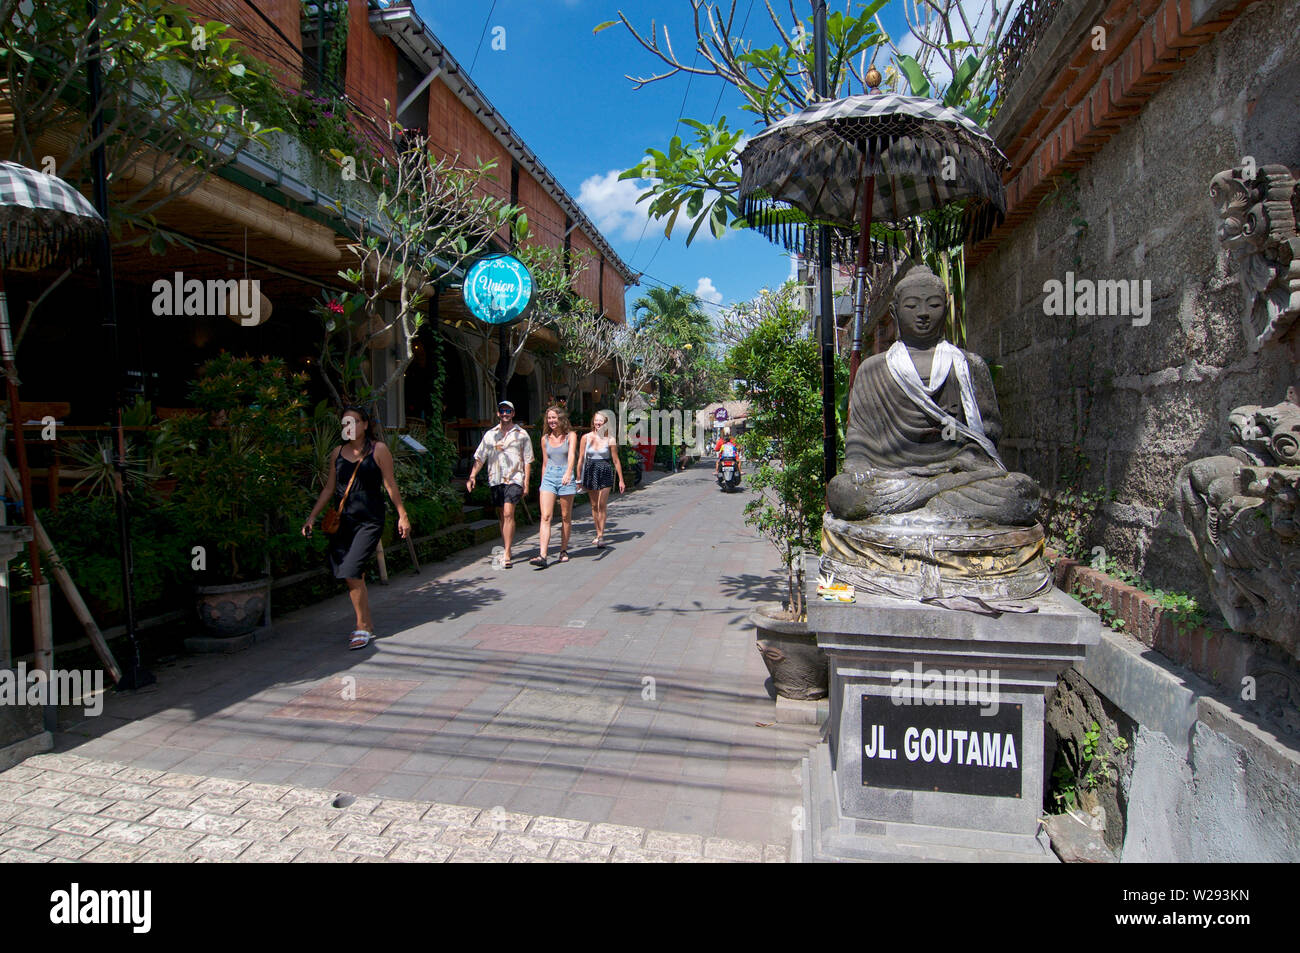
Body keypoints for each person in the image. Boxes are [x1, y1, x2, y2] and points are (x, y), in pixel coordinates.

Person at [302, 405, 411, 649]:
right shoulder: (337, 452)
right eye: (345, 424)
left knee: (351, 570)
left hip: (370, 520)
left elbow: (390, 485)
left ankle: (362, 627)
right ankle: (366, 623)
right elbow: (330, 488)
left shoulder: (378, 450)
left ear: (364, 425)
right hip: (344, 521)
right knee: (352, 573)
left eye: (353, 422)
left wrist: (402, 515)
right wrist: (311, 517)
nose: (348, 427)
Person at [467, 399, 533, 568]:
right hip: (495, 478)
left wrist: (526, 482)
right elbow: (480, 457)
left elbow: (527, 460)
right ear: (498, 413)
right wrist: (472, 475)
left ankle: (508, 552)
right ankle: (506, 546)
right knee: (502, 515)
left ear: (513, 414)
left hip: (514, 478)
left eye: (508, 411)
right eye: (502, 411)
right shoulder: (490, 435)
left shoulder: (522, 434)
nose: (505, 414)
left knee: (509, 513)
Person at [532, 404, 577, 567]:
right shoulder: (544, 439)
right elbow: (545, 462)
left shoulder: (571, 436)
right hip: (549, 477)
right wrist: (543, 483)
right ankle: (542, 555)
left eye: (554, 418)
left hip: (566, 475)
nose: (551, 421)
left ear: (561, 419)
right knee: (545, 516)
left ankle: (563, 549)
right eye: (549, 418)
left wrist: (568, 473)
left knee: (565, 516)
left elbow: (572, 455)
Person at [577, 409, 624, 548]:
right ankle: (598, 532)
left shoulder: (610, 439)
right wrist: (578, 477)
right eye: (596, 420)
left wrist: (621, 479)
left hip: (604, 470)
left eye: (601, 421)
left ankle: (600, 536)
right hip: (590, 470)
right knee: (593, 505)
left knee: (601, 504)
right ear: (593, 422)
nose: (598, 423)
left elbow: (616, 460)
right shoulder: (586, 437)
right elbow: (580, 459)